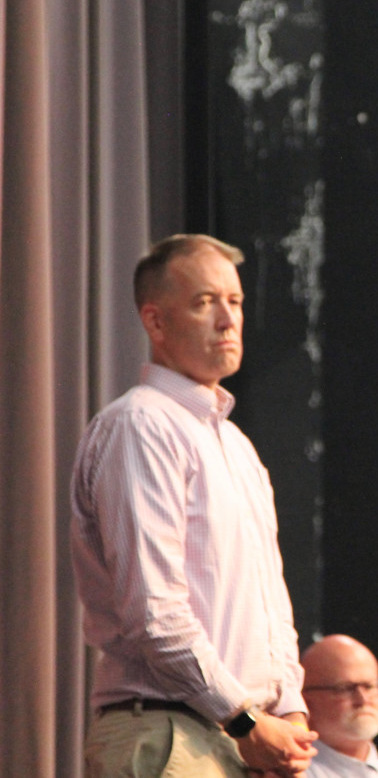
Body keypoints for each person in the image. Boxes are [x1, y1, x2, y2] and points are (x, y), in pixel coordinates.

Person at [70, 234, 318, 776]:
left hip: (245, 738)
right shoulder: (141, 425)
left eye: (235, 302)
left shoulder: (236, 446)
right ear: (156, 322)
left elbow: (273, 607)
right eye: (206, 302)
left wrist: (290, 712)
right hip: (171, 734)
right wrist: (248, 720)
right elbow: (154, 615)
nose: (229, 320)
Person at [301, 634, 378, 778]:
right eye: (345, 688)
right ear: (306, 701)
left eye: (369, 686)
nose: (363, 699)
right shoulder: (288, 773)